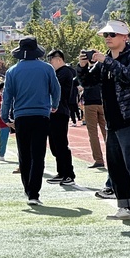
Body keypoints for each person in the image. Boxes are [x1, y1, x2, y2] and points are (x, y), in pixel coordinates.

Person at [77, 20, 130, 221]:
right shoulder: (105, 60)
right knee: (116, 166)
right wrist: (83, 66)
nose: (108, 38)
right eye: (105, 35)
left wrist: (106, 61)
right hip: (113, 121)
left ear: (125, 36)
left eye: (112, 34)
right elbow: (87, 82)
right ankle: (126, 207)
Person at [1, 36, 61, 206]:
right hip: (41, 116)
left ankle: (28, 190)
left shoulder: (12, 71)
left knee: (24, 155)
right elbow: (56, 90)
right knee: (38, 155)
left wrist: (5, 116)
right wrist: (54, 105)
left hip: (21, 117)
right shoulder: (47, 69)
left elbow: (7, 97)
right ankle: (34, 192)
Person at [46, 49, 77, 186]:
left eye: (51, 60)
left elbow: (52, 87)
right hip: (54, 112)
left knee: (61, 144)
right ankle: (62, 172)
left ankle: (69, 174)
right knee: (55, 144)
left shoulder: (65, 72)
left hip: (60, 112)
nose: (49, 64)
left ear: (58, 59)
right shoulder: (58, 73)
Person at [81, 83, 106, 168]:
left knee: (93, 134)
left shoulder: (88, 74)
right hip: (102, 103)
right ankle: (115, 158)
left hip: (90, 104)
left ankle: (99, 160)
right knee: (107, 133)